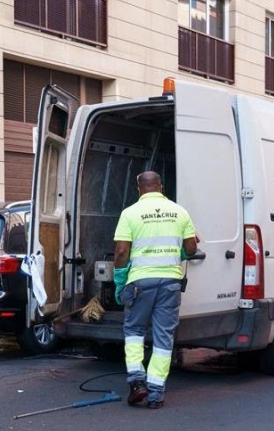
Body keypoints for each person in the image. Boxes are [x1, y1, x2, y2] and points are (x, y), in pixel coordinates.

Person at [112, 171, 197, 410]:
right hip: (170, 282)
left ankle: (137, 383)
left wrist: (120, 281)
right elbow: (191, 247)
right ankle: (156, 393)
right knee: (163, 337)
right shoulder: (180, 212)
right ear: (161, 186)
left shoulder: (129, 213)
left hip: (140, 282)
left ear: (138, 189)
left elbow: (121, 252)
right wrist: (177, 252)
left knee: (134, 331)